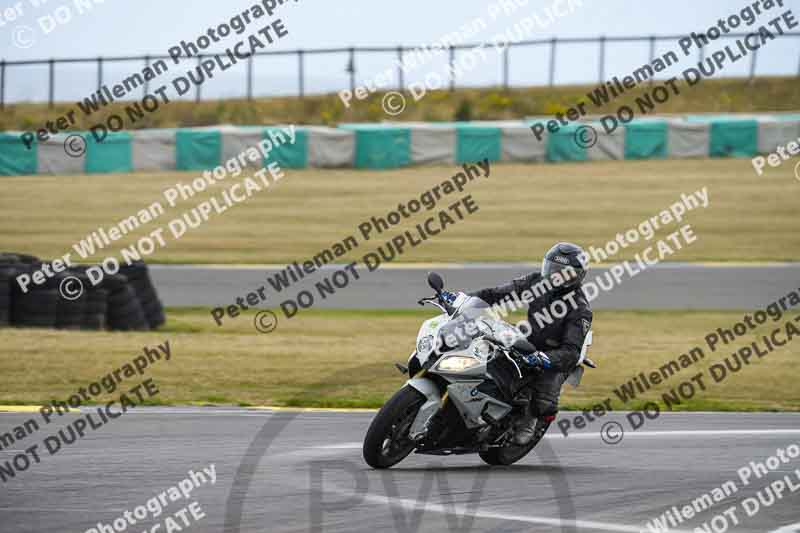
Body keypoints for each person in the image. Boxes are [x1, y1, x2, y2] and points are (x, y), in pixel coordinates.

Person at [467, 242, 593, 446]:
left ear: (576, 277)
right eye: (552, 269)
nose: (554, 276)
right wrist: (465, 300)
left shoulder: (580, 310)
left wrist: (545, 359)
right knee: (486, 351)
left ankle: (531, 419)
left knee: (544, 393)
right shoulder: (537, 281)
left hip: (554, 355)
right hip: (528, 340)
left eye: (562, 273)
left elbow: (570, 351)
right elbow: (498, 293)